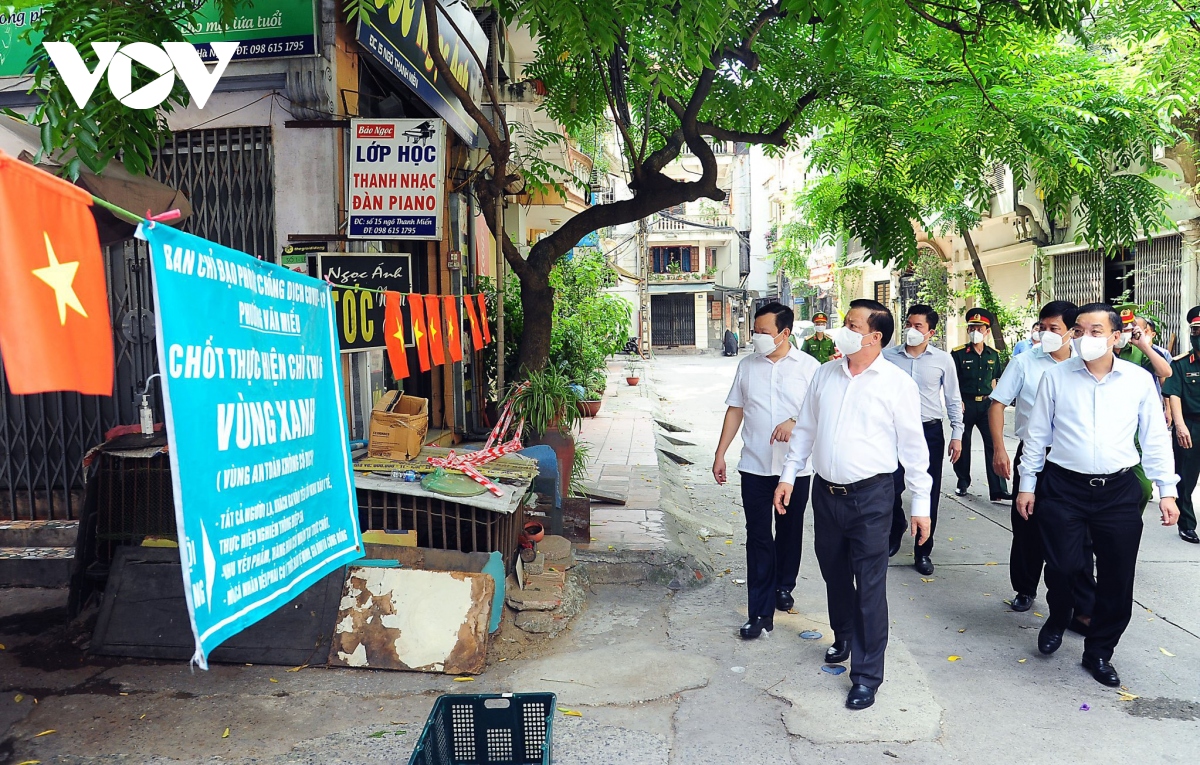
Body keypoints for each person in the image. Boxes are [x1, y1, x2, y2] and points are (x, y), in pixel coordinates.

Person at [773, 299, 932, 711]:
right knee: (834, 573)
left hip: (873, 498)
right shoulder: (826, 375)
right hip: (826, 495)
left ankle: (866, 675)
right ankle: (843, 634)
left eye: (851, 324)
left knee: (870, 584)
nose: (843, 328)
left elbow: (915, 450)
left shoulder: (896, 384)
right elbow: (805, 430)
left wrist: (920, 505)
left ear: (874, 336)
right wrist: (789, 477)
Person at [1016, 303, 1179, 688]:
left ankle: (1099, 651)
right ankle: (1060, 614)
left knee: (1116, 577)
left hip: (1117, 491)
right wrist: (1027, 484)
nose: (1084, 338)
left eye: (1095, 331)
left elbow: (1155, 438)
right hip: (1063, 487)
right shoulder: (1056, 378)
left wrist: (1167, 491)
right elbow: (1037, 435)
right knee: (1062, 566)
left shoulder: (1138, 380)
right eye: (1079, 331)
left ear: (1115, 337)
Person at [714, 303, 820, 639]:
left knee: (789, 534)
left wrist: (795, 422)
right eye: (755, 332)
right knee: (758, 537)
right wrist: (720, 454)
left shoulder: (811, 368)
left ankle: (783, 586)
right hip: (755, 466)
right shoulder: (747, 367)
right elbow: (735, 410)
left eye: (764, 333)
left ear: (784, 333)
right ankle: (759, 614)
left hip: (795, 469)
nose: (757, 338)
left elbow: (822, 414)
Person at [988, 301, 1096, 623]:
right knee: (1027, 525)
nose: (1046, 334)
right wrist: (999, 449)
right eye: (1042, 327)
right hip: (1033, 453)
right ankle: (1025, 588)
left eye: (1055, 329)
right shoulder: (1025, 362)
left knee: (1077, 533)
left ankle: (1079, 605)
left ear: (1071, 332)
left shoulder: (1086, 363)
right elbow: (997, 405)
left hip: (1072, 459)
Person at [883, 305, 964, 575]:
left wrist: (957, 434)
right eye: (908, 324)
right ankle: (895, 529)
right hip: (892, 432)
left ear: (931, 331)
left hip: (928, 431)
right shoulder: (887, 357)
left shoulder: (942, 360)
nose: (911, 330)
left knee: (928, 491)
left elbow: (953, 399)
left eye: (918, 326)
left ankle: (923, 550)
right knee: (889, 487)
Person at [952, 309, 1011, 502]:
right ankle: (962, 482)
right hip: (965, 404)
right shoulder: (958, 354)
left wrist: (996, 403)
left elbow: (995, 380)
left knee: (994, 444)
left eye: (979, 328)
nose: (975, 331)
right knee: (964, 444)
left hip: (986, 404)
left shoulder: (993, 355)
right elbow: (953, 381)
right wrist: (957, 400)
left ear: (986, 331)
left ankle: (998, 489)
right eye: (972, 327)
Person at [1162, 306, 1200, 544]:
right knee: (1185, 478)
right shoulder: (1181, 363)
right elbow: (1173, 394)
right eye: (1196, 330)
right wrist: (1180, 425)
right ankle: (1187, 525)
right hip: (1191, 425)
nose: (1198, 335)